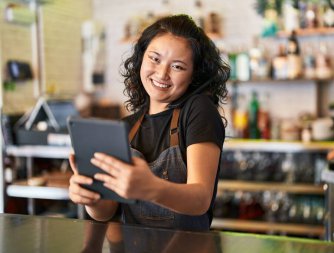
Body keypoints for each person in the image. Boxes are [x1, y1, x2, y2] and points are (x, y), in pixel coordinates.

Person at [68, 14, 230, 231]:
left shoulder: (198, 111)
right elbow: (106, 211)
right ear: (141, 58)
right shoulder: (125, 127)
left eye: (178, 67)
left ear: (194, 76)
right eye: (155, 58)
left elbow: (200, 198)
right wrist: (91, 197)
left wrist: (150, 188)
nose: (162, 73)